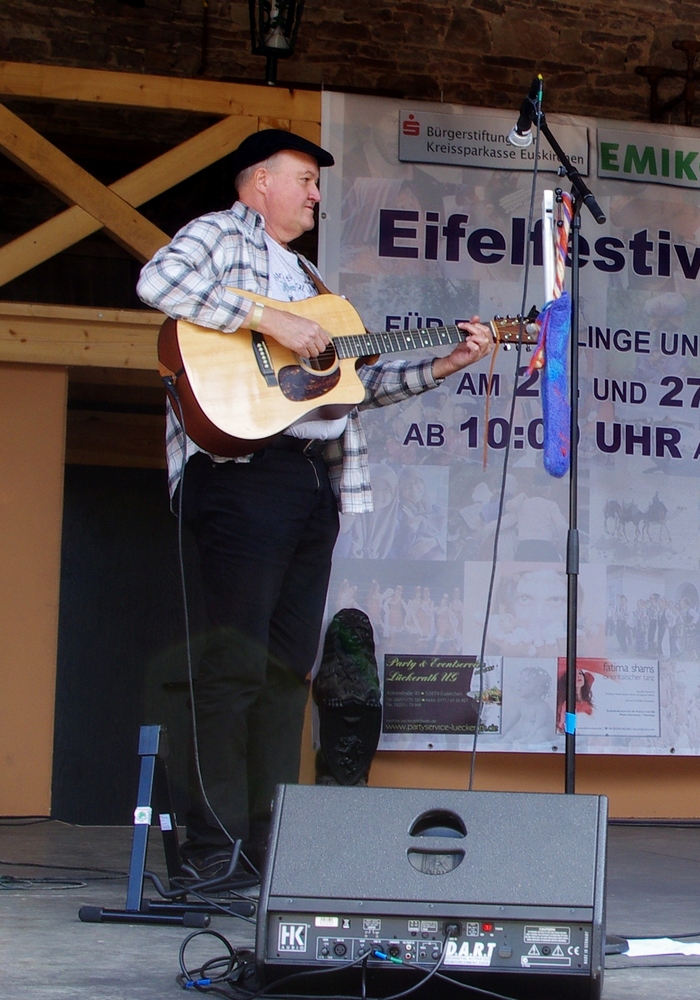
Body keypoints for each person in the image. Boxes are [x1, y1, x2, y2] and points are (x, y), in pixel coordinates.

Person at [136, 129, 493, 877]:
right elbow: (158, 283)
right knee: (232, 667)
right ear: (257, 181)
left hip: (308, 480)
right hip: (239, 473)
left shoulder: (308, 280)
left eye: (317, 183)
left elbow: (354, 388)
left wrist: (446, 362)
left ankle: (265, 851)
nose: (316, 193)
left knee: (283, 671)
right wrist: (267, 320)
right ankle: (209, 853)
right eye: (304, 178)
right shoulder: (220, 237)